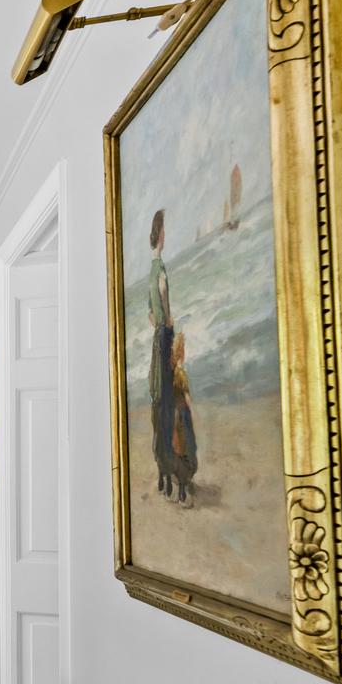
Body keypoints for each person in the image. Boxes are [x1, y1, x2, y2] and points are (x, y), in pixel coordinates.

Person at [145, 209, 177, 495]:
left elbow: (149, 315)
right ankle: (171, 469)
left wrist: (159, 325)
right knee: (168, 407)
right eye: (164, 229)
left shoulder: (150, 271)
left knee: (158, 405)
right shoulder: (161, 269)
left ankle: (163, 475)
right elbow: (164, 309)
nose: (166, 234)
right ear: (160, 234)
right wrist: (170, 323)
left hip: (157, 340)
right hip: (164, 339)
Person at [163, 330, 199, 503]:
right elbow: (186, 397)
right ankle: (184, 488)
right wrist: (191, 406)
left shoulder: (170, 372)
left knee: (178, 449)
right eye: (182, 348)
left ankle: (181, 485)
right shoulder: (180, 372)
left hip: (174, 415)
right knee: (188, 448)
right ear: (180, 351)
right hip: (182, 414)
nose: (184, 351)